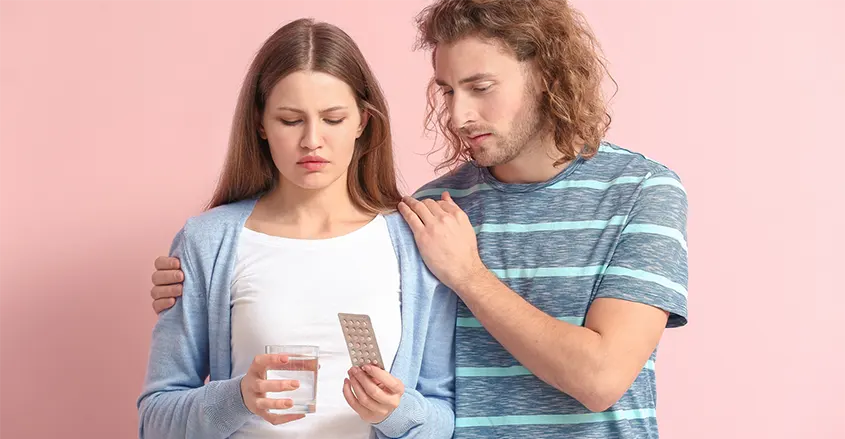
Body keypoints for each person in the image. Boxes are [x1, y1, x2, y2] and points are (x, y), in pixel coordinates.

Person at [151, 1, 689, 438]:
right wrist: (195, 275)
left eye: (480, 87)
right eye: (447, 91)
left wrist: (469, 276)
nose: (457, 115)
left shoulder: (642, 192)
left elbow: (600, 379)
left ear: (546, 75)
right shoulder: (430, 212)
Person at [137, 18, 456, 439]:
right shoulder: (207, 242)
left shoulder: (415, 244)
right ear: (260, 124)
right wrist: (237, 398)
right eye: (290, 120)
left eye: (333, 119)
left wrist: (396, 412)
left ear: (363, 121)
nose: (312, 141)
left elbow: (446, 418)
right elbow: (154, 421)